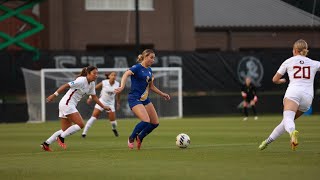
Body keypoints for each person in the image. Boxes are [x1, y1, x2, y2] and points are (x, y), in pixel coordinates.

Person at [259, 39, 320, 151]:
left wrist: (281, 81)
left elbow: (275, 79)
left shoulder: (289, 61)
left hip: (294, 93)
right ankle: (267, 141)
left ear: (295, 50)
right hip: (307, 97)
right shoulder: (314, 63)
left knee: (288, 119)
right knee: (287, 121)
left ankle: (292, 133)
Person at [40, 66, 111, 152]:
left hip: (66, 105)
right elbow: (66, 85)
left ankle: (46, 144)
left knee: (64, 130)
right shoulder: (81, 80)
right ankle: (61, 137)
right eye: (94, 73)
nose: (96, 75)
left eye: (97, 73)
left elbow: (94, 97)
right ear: (88, 74)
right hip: (67, 104)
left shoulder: (92, 83)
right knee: (81, 124)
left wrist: (103, 106)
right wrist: (54, 95)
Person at [115, 49, 170, 150]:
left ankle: (140, 137)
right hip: (134, 98)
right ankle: (131, 138)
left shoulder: (149, 70)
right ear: (145, 57)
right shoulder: (137, 67)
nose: (153, 60)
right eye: (151, 57)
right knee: (145, 120)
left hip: (145, 99)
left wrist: (163, 94)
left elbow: (151, 87)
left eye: (154, 58)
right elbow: (125, 74)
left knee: (155, 123)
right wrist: (122, 87)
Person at [82, 71, 120, 138]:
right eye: (112, 75)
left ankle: (114, 129)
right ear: (109, 76)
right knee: (93, 117)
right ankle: (84, 133)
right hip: (101, 102)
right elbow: (94, 89)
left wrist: (118, 102)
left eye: (115, 75)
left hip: (110, 104)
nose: (114, 77)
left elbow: (118, 93)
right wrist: (90, 97)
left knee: (113, 122)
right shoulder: (104, 82)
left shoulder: (117, 84)